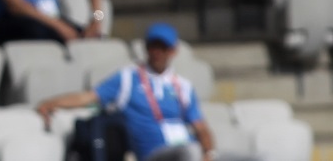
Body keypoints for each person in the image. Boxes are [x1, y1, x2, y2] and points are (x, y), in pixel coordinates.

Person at [36, 22, 256, 161]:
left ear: (174, 50)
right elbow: (89, 97)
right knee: (189, 152)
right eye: (154, 46)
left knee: (259, 158)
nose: (158, 52)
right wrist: (50, 103)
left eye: (164, 47)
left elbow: (202, 129)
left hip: (191, 151)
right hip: (155, 154)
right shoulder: (127, 78)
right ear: (146, 47)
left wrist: (209, 153)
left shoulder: (183, 86)